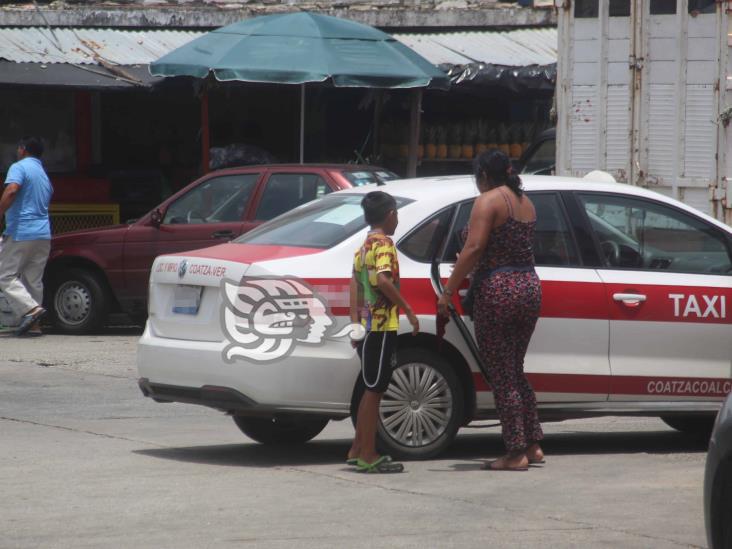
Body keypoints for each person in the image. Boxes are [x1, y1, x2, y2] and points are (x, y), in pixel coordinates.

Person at [437, 149, 544, 471]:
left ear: (483, 175)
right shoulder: (524, 202)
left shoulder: (487, 201)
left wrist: (448, 290)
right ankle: (533, 443)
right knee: (515, 368)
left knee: (502, 375)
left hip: (498, 291)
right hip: (528, 286)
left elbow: (474, 248)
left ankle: (515, 453)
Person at [347, 191, 419, 474]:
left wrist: (355, 323)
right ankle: (368, 454)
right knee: (374, 391)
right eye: (397, 214)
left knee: (370, 389)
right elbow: (381, 280)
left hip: (366, 327)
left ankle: (356, 448)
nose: (397, 219)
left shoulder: (363, 246)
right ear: (390, 215)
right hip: (381, 327)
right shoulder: (385, 245)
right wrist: (409, 309)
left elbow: (354, 283)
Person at [0, 137, 53, 337]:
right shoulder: (43, 174)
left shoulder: (19, 167)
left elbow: (12, 190)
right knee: (33, 280)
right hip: (43, 234)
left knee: (5, 276)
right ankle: (34, 325)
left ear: (22, 150)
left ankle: (31, 310)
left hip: (21, 231)